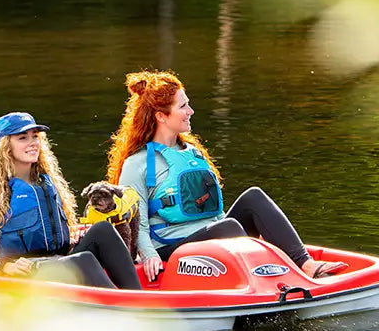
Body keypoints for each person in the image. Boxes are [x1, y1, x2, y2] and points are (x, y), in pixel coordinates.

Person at [106, 70, 347, 282]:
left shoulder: (193, 153)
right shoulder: (136, 164)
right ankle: (261, 278)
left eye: (188, 104)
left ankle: (306, 264)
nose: (191, 111)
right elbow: (136, 224)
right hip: (172, 249)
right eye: (183, 107)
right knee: (229, 227)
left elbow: (214, 211)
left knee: (253, 198)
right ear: (161, 116)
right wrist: (149, 256)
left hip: (216, 234)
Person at [0, 111, 141, 289]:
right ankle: (122, 308)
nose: (32, 143)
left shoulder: (45, 182)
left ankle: (138, 298)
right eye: (22, 138)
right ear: (5, 146)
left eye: (35, 137)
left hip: (58, 259)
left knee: (103, 230)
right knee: (83, 260)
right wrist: (8, 267)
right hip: (26, 270)